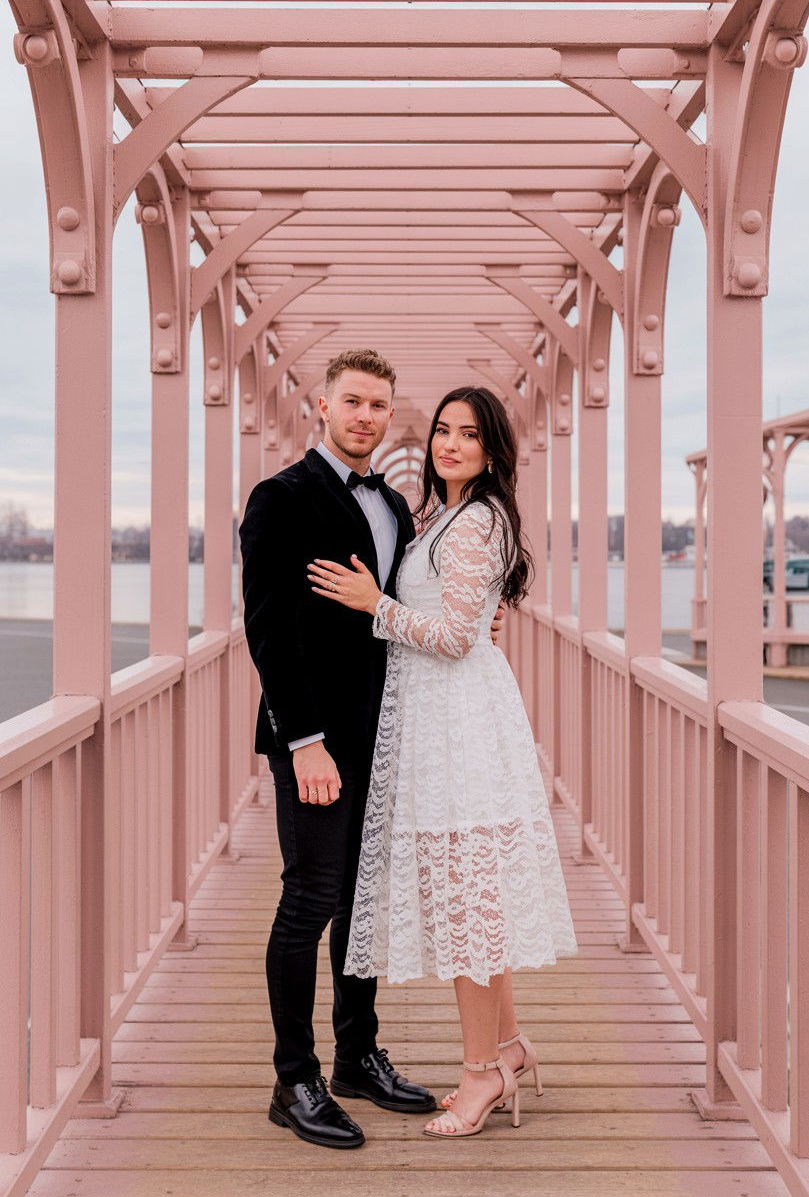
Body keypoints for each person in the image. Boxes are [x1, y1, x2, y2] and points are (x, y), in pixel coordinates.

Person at [239, 351, 502, 1150]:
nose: (365, 417)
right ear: (320, 407)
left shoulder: (394, 501)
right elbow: (268, 630)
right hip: (315, 740)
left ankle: (357, 1055)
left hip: (386, 734)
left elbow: (413, 604)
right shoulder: (279, 498)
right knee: (310, 900)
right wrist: (305, 741)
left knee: (363, 906)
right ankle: (296, 1079)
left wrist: (477, 624)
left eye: (379, 406)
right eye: (352, 402)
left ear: (391, 417)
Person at [307, 385, 579, 1140]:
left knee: (467, 907)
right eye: (442, 431)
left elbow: (458, 638)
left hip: (459, 725)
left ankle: (479, 1075)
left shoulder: (475, 521)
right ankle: (512, 1047)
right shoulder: (449, 515)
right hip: (445, 716)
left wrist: (374, 604)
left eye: (468, 435)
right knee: (476, 899)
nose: (450, 445)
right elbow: (466, 617)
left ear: (492, 450)